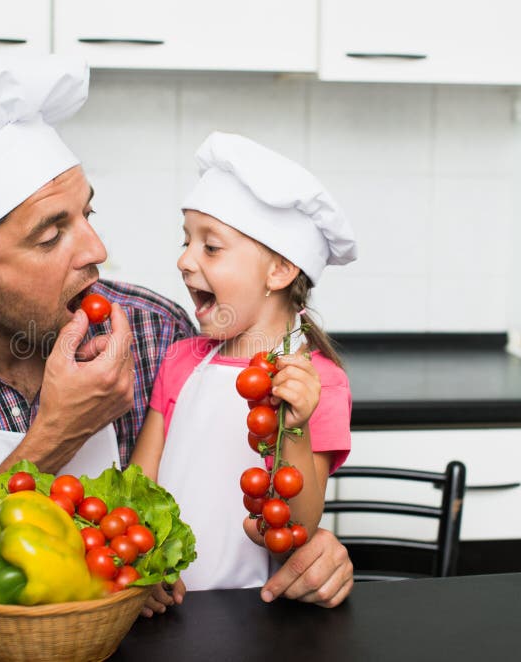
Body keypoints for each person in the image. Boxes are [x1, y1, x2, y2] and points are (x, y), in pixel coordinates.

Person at [0, 43, 353, 610]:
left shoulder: (153, 330)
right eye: (51, 236)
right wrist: (54, 437)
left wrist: (312, 549)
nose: (97, 250)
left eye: (86, 216)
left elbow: (231, 485)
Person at [131, 132, 357, 612]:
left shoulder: (322, 383)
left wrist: (293, 427)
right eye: (185, 240)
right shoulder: (181, 361)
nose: (184, 260)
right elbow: (138, 487)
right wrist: (136, 568)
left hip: (258, 614)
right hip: (163, 608)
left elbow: (300, 525)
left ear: (278, 271)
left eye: (210, 247)